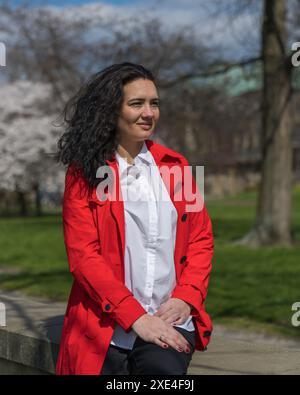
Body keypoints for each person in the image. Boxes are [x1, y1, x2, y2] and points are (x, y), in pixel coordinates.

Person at [55, 62, 214, 375]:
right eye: (136, 103)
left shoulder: (177, 166)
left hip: (169, 320)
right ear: (111, 110)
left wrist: (187, 297)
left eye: (154, 103)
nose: (149, 113)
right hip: (103, 328)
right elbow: (84, 257)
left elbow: (201, 238)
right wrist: (135, 316)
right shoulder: (84, 172)